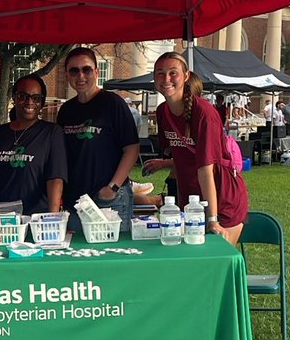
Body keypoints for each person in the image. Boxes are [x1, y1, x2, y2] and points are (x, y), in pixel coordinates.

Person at [144, 52, 248, 245]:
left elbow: (206, 169)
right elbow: (184, 153)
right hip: (190, 197)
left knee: (215, 262)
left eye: (173, 73)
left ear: (186, 76)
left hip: (221, 196)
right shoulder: (162, 112)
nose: (166, 79)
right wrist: (165, 163)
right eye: (160, 73)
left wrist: (212, 219)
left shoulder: (204, 113)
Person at [57, 46, 139, 231]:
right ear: (68, 75)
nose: (81, 76)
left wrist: (113, 187)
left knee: (112, 256)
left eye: (86, 69)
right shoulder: (66, 110)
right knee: (77, 256)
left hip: (109, 199)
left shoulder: (113, 103)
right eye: (74, 71)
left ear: (96, 71)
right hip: (76, 201)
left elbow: (132, 149)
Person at [0, 75, 67, 215]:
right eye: (23, 96)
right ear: (14, 98)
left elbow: (55, 178)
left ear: (42, 102)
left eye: (36, 98)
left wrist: (53, 218)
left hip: (35, 220)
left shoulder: (51, 132)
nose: (29, 102)